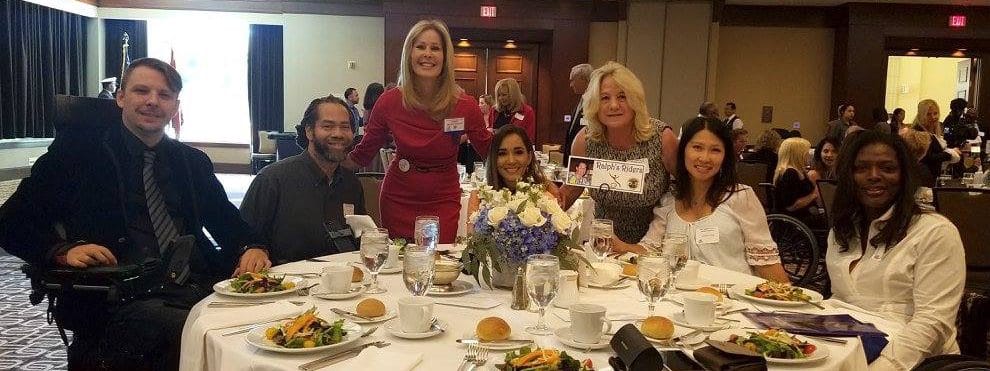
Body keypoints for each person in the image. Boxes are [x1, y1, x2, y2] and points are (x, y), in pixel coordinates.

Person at [0, 58, 269, 369]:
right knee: (204, 333)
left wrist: (251, 246)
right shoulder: (75, 155)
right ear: (121, 97)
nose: (152, 101)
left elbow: (226, 220)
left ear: (175, 106)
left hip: (197, 282)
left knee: (269, 317)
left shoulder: (191, 161)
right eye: (142, 91)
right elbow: (11, 222)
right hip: (121, 294)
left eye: (164, 95)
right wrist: (60, 250)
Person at [343, 20, 491, 243]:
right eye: (420, 47)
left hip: (443, 199)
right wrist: (322, 165)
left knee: (439, 266)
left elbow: (490, 150)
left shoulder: (465, 105)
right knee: (398, 268)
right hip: (398, 198)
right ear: (409, 53)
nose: (427, 54)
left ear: (445, 56)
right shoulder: (389, 102)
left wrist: (532, 174)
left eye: (435, 48)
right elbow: (364, 152)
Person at [828, 130, 964, 370]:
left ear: (904, 176)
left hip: (915, 362)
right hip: (846, 352)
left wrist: (881, 367)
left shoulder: (935, 232)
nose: (873, 176)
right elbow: (838, 303)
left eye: (887, 168)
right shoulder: (841, 231)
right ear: (848, 175)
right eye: (861, 168)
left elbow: (932, 324)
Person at [621, 117, 789, 282]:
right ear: (683, 151)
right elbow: (648, 251)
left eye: (715, 150)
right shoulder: (669, 202)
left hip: (735, 302)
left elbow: (768, 264)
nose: (705, 158)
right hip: (682, 303)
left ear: (725, 156)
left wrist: (788, 299)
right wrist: (614, 243)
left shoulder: (741, 197)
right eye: (697, 147)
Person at [560, 61, 678, 252]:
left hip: (653, 248)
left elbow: (687, 188)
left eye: (622, 97)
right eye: (605, 98)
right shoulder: (586, 141)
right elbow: (572, 190)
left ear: (635, 99)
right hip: (604, 248)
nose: (613, 105)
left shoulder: (661, 138)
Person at [240, 95, 365, 265]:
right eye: (327, 126)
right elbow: (242, 238)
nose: (338, 134)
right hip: (286, 285)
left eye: (345, 127)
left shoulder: (352, 185)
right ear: (309, 131)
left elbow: (361, 238)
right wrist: (254, 249)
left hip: (345, 284)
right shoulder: (273, 180)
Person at [466, 125, 559, 230]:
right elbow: (472, 242)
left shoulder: (544, 198)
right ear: (494, 159)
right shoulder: (478, 199)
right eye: (502, 153)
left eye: (518, 152)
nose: (511, 161)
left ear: (529, 157)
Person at [773, 137, 823, 229]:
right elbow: (791, 206)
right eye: (807, 153)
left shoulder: (800, 171)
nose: (809, 155)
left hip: (802, 217)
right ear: (798, 154)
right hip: (795, 221)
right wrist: (813, 195)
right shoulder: (790, 173)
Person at [912, 99, 961, 183]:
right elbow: (927, 157)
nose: (933, 117)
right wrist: (950, 154)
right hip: (923, 179)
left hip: (932, 177)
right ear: (921, 115)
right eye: (928, 114)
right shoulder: (919, 132)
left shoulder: (933, 130)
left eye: (935, 113)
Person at [564, 63, 593, 163]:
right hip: (572, 156)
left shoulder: (594, 102)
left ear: (584, 79)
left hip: (584, 158)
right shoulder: (582, 99)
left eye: (573, 80)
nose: (571, 85)